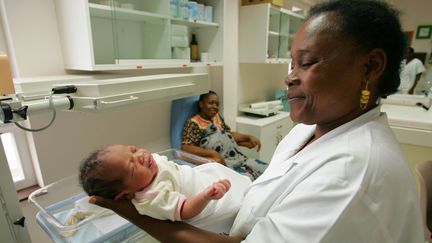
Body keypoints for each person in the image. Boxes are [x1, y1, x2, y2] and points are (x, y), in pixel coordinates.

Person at [89, 0, 424, 242]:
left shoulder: (353, 172)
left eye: (306, 63)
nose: (290, 78)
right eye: (291, 65)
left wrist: (134, 215)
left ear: (370, 67)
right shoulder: (312, 127)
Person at [79, 144, 251, 233]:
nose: (141, 156)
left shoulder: (148, 166)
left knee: (235, 179)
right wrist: (205, 196)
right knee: (243, 205)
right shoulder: (151, 198)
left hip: (200, 176)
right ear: (125, 194)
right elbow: (186, 210)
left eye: (133, 149)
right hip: (207, 202)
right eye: (133, 166)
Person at [181, 91, 268, 181]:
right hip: (224, 162)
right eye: (211, 103)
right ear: (201, 104)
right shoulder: (193, 123)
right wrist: (212, 153)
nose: (215, 106)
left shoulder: (216, 117)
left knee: (267, 169)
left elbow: (227, 134)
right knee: (247, 180)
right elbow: (185, 147)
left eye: (217, 104)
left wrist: (248, 137)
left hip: (239, 158)